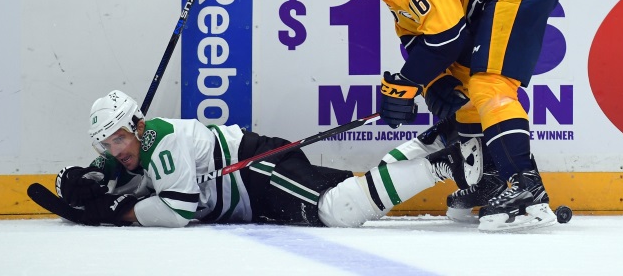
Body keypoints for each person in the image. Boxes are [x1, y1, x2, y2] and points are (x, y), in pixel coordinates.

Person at [335, 0, 562, 232]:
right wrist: (435, 83)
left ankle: (528, 191)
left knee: (490, 85)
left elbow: (447, 37)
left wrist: (407, 84)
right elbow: (418, 37)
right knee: (462, 93)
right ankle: (493, 179)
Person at [54, 90, 481, 228]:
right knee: (351, 190)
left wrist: (118, 212)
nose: (117, 150)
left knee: (336, 211)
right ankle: (430, 143)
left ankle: (448, 165)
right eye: (105, 145)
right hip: (255, 185)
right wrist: (93, 175)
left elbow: (180, 209)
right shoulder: (132, 150)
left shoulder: (161, 141)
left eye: (120, 138)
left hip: (256, 169)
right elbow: (124, 171)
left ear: (139, 126)